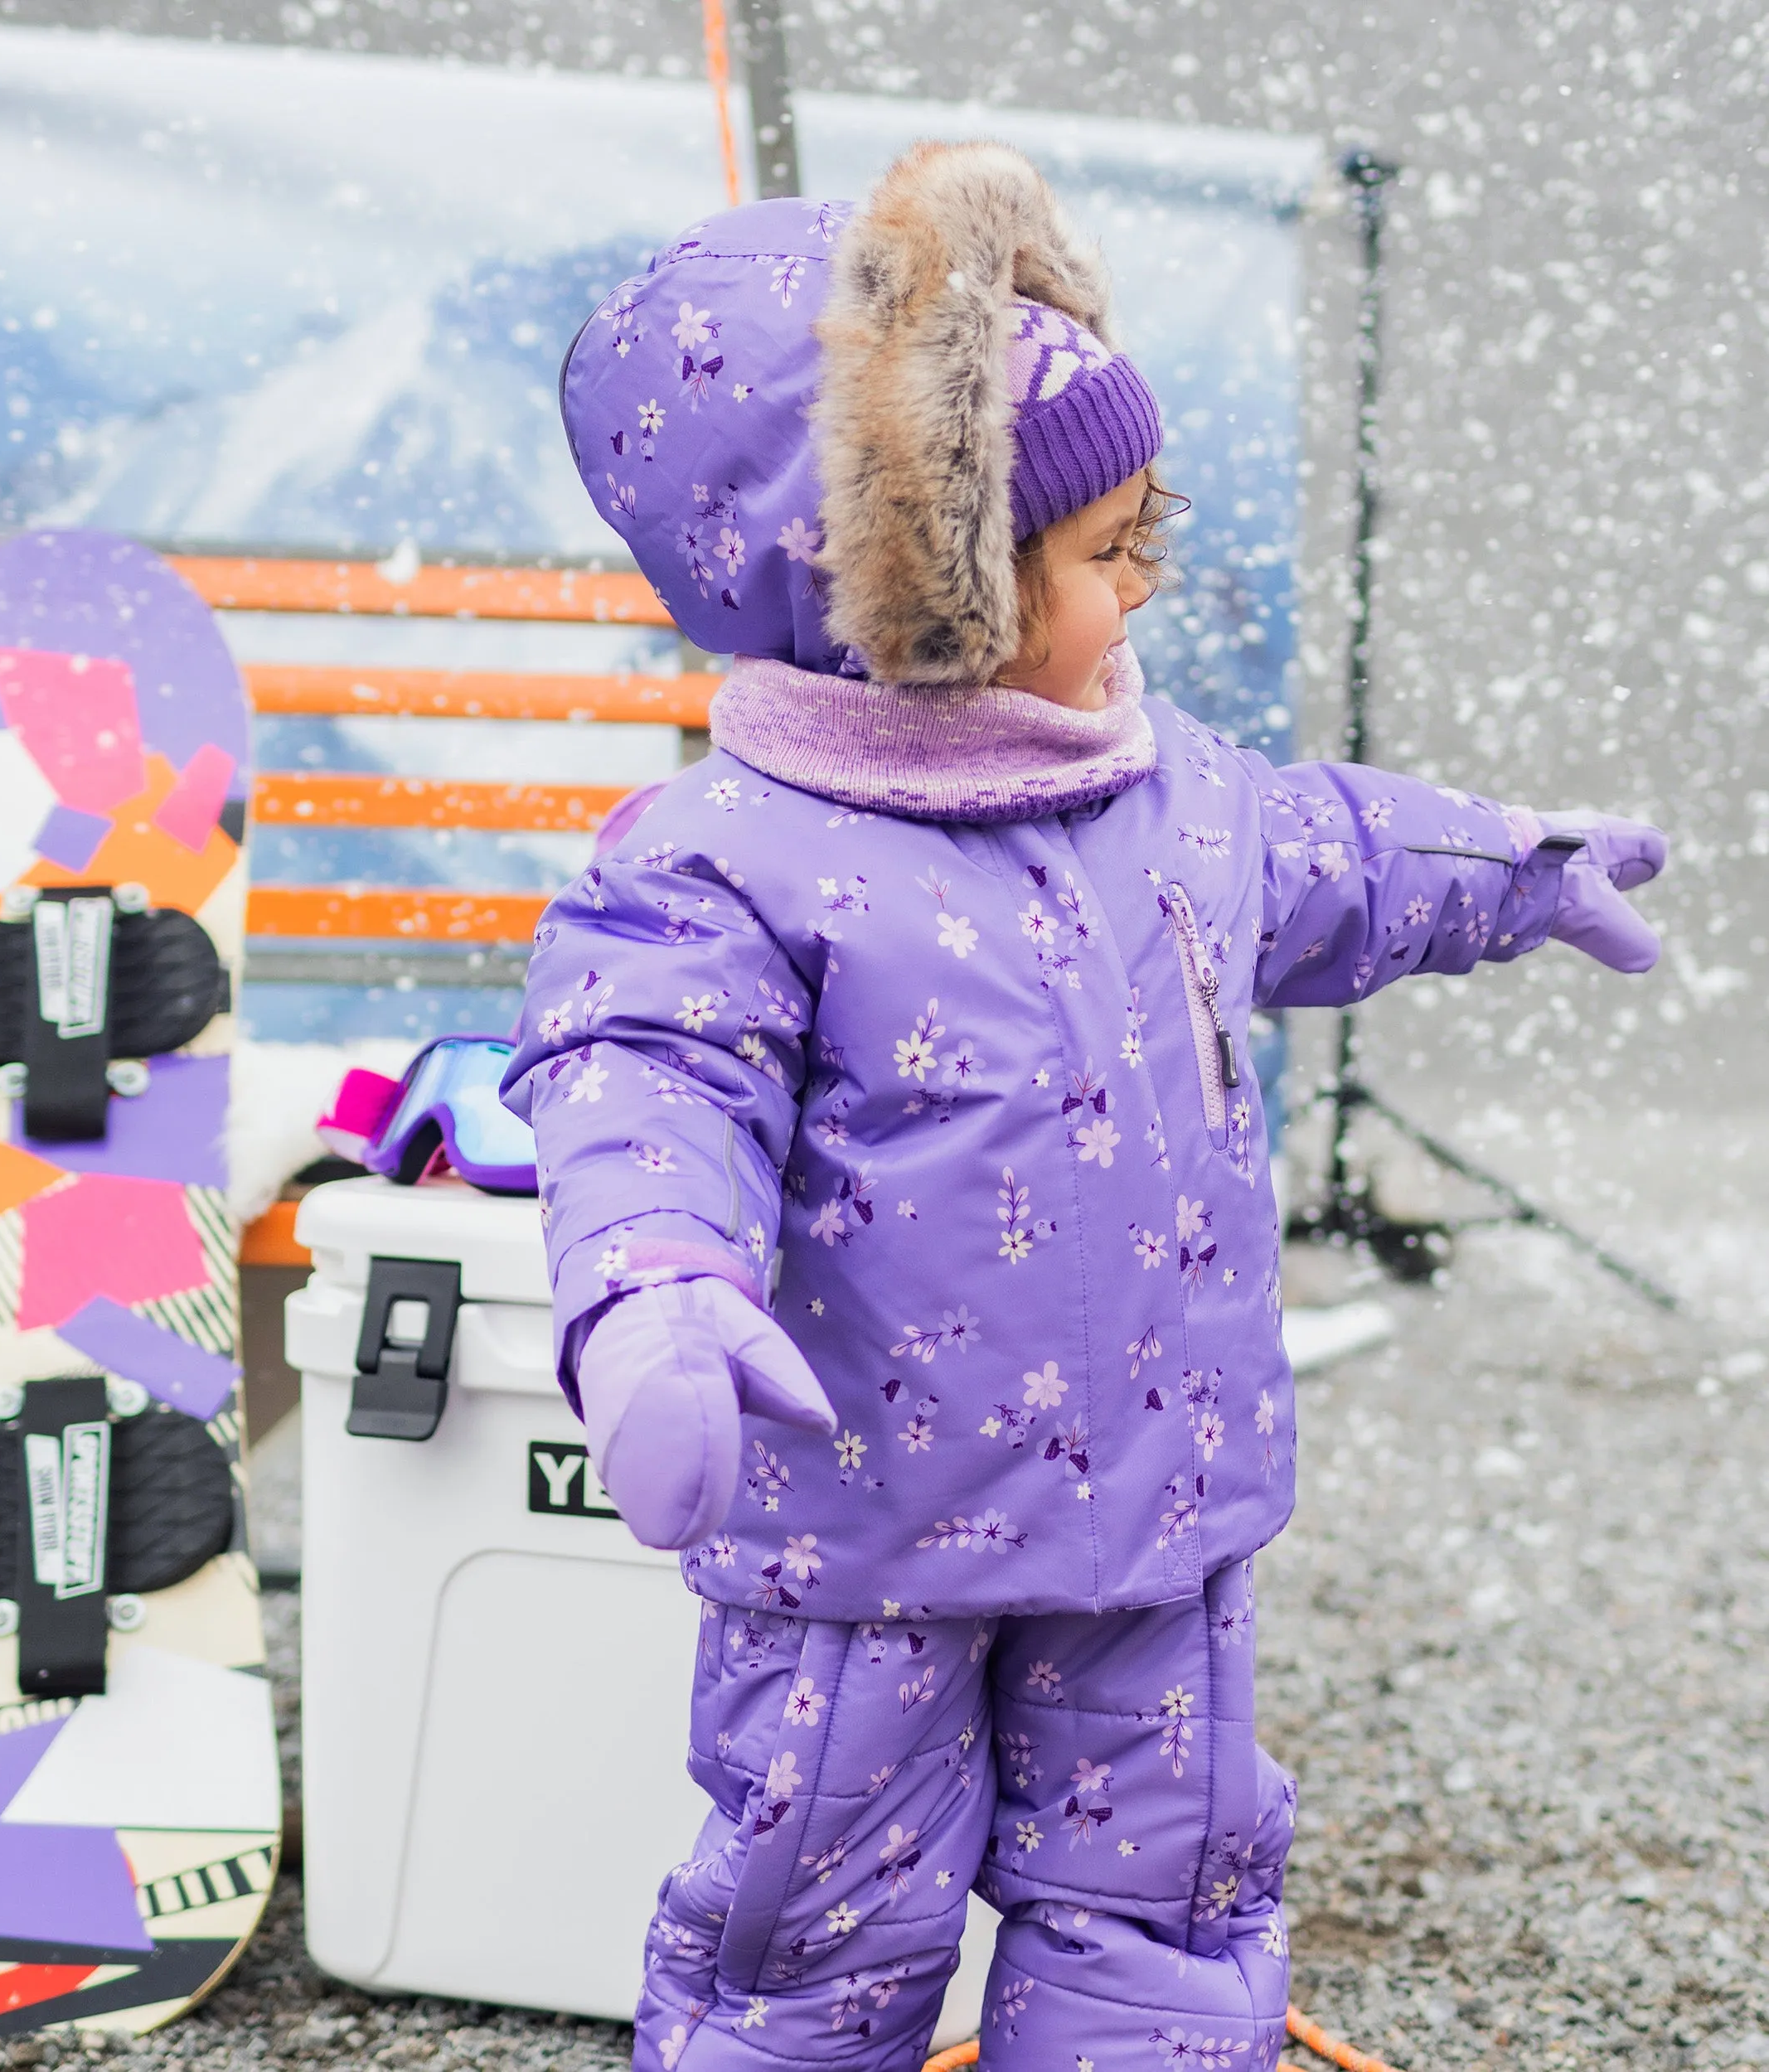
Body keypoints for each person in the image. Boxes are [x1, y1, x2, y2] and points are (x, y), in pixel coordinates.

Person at [502, 141, 1664, 2072]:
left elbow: (1334, 852)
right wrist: (648, 1292)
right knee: (808, 1935)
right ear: (929, 592)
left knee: (1167, 1906)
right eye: (1100, 544)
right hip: (863, 1547)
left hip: (1155, 1520)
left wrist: (1514, 865)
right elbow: (640, 1072)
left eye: (1149, 521)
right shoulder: (732, 859)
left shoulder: (1165, 788)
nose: (1146, 574)